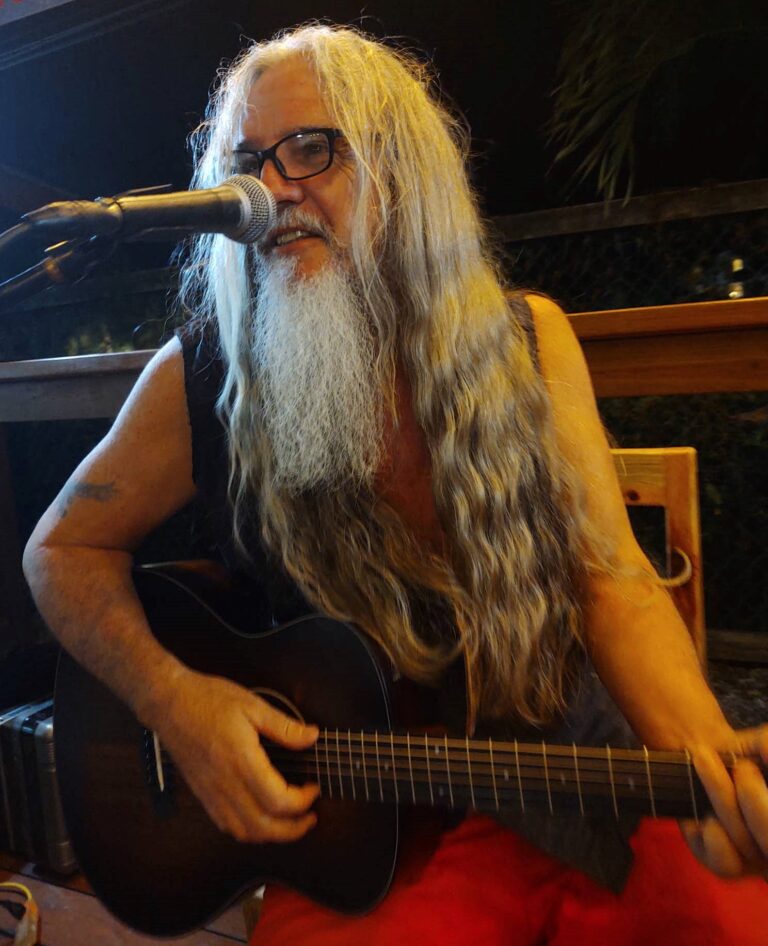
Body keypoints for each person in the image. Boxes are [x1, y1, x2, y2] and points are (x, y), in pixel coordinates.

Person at [22, 23, 767, 946]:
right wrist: (175, 703)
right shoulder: (203, 375)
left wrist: (710, 769)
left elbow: (614, 582)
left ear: (403, 173)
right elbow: (59, 550)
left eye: (311, 149)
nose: (270, 190)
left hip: (578, 772)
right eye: (248, 163)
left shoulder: (527, 343)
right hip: (369, 827)